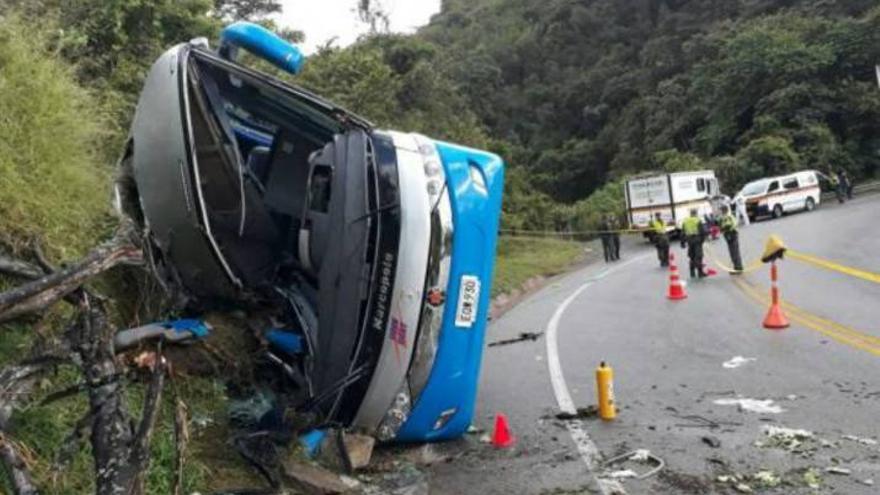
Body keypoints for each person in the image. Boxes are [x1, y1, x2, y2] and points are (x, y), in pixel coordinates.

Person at [681, 208, 707, 279]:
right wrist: (702, 240)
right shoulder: (697, 220)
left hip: (689, 240)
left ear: (690, 214)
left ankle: (692, 272)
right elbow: (702, 231)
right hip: (697, 240)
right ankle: (700, 272)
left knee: (692, 256)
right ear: (695, 213)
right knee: (699, 256)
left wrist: (682, 242)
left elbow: (683, 232)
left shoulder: (685, 221)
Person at [719, 205, 743, 273]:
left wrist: (728, 229)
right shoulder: (722, 218)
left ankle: (739, 268)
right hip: (727, 235)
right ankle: (736, 267)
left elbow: (734, 224)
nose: (721, 212)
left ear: (724, 210)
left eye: (721, 210)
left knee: (735, 251)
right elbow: (721, 226)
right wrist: (722, 229)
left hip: (732, 234)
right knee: (732, 252)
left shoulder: (729, 216)